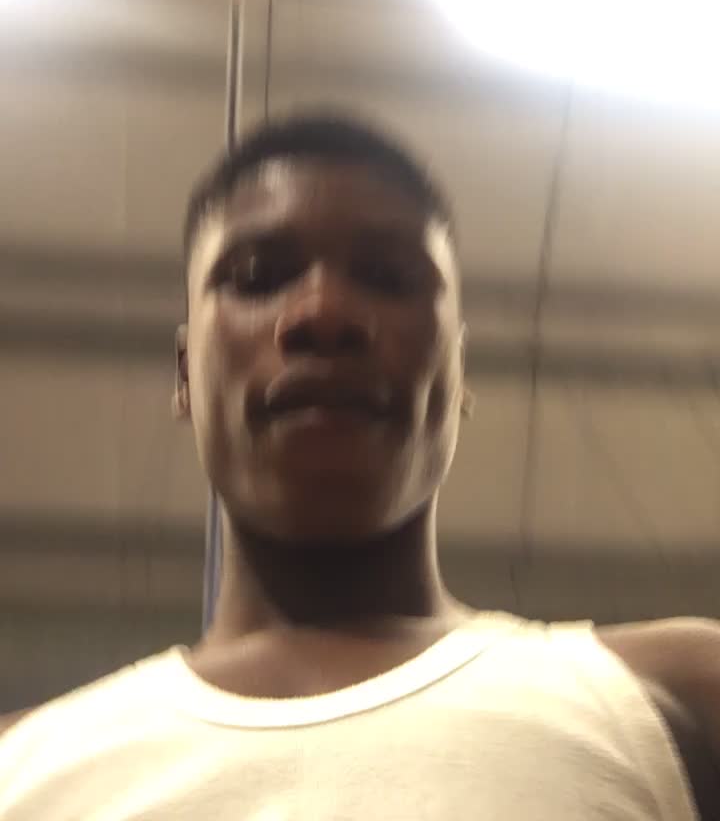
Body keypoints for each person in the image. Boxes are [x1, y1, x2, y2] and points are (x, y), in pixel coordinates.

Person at [1, 110, 718, 819]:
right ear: (187, 374)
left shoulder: (673, 699)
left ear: (459, 370)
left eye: (389, 277)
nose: (323, 312)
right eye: (256, 276)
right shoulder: (24, 767)